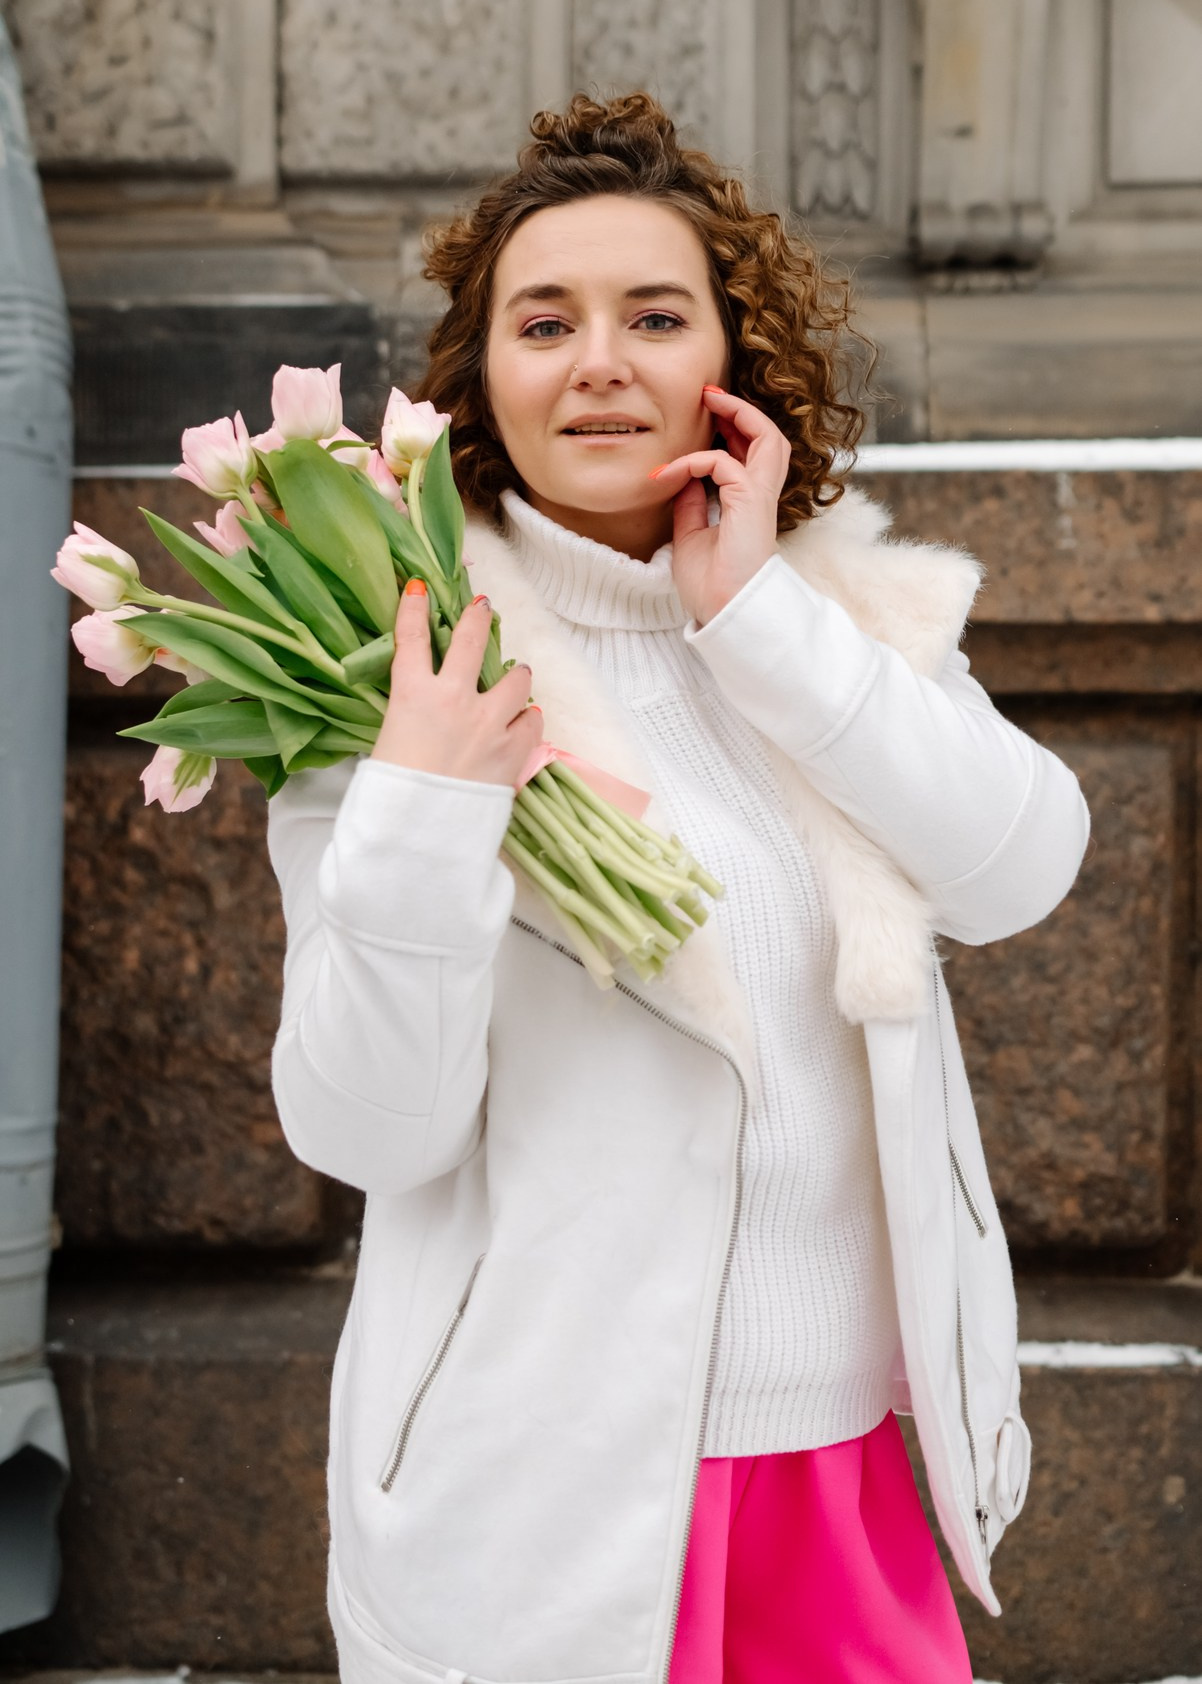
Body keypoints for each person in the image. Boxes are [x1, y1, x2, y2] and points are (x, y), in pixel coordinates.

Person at [265, 92, 1090, 1684]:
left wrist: (760, 620)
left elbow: (1019, 870)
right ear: (478, 376)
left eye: (655, 315)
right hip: (549, 1505)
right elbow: (370, 1130)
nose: (599, 362)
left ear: (730, 354)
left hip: (839, 1476)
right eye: (543, 320)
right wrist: (425, 805)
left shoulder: (836, 616)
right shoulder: (400, 676)